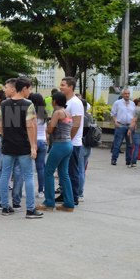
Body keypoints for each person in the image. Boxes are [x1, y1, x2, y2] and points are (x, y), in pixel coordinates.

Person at [0, 76, 43, 218]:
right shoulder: (28, 104)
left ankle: (5, 206)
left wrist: (7, 137)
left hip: (8, 145)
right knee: (28, 175)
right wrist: (33, 147)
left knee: (5, 174)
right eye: (29, 88)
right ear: (24, 88)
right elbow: (30, 126)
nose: (30, 91)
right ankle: (30, 209)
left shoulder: (3, 104)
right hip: (23, 145)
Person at [36, 92, 74, 212]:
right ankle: (69, 203)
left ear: (55, 101)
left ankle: (49, 202)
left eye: (52, 100)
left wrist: (48, 128)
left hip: (59, 145)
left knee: (48, 171)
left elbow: (50, 130)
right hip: (68, 144)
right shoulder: (67, 112)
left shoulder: (57, 113)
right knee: (64, 174)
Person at [0, 79, 24, 211]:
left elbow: (0, 126)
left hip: (7, 141)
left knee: (2, 171)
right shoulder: (27, 104)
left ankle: (1, 201)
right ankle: (16, 202)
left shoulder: (4, 104)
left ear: (13, 89)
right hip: (22, 142)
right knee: (18, 171)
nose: (3, 90)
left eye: (6, 87)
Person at [57, 77, 83, 206]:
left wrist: (68, 140)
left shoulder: (76, 103)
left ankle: (74, 196)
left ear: (71, 87)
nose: (61, 87)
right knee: (64, 171)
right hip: (66, 142)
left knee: (72, 170)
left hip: (73, 143)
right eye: (61, 85)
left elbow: (76, 124)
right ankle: (65, 194)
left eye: (63, 85)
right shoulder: (68, 102)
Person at [29, 93, 47, 200]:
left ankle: (27, 190)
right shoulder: (43, 113)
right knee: (41, 168)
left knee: (29, 168)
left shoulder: (31, 114)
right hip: (43, 141)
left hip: (33, 142)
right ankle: (41, 190)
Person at [110, 89, 135, 166]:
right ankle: (114, 159)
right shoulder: (117, 103)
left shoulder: (132, 104)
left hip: (129, 126)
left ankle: (128, 160)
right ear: (122, 94)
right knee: (117, 144)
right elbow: (113, 114)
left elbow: (134, 115)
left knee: (130, 144)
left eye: (128, 93)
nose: (127, 95)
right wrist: (116, 123)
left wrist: (133, 125)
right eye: (125, 93)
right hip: (120, 126)